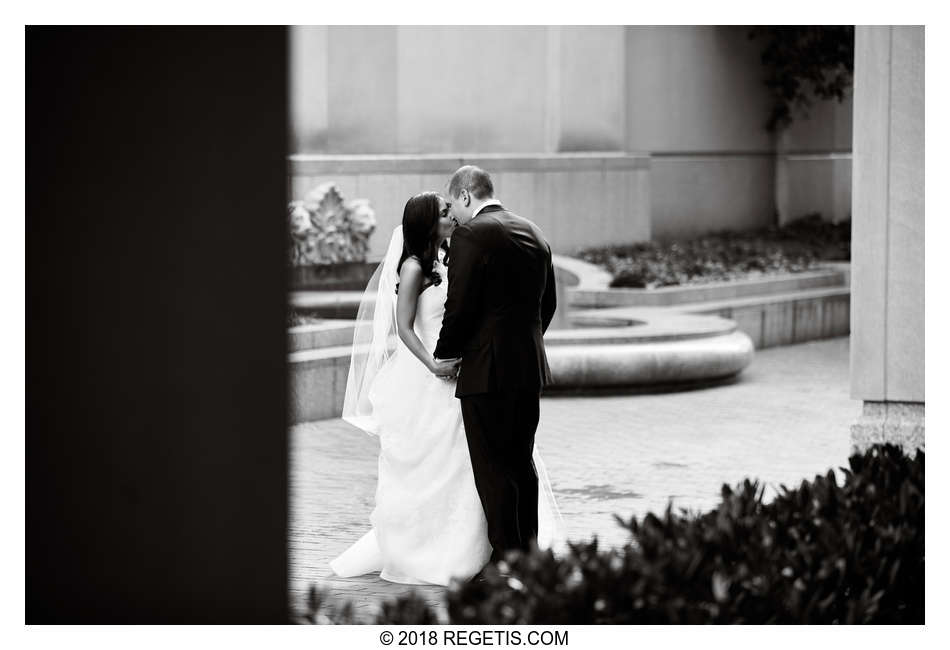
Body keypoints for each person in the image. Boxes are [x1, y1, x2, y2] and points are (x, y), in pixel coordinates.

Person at [330, 190, 562, 586]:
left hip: (471, 375)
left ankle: (496, 550)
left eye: (449, 208)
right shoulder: (413, 268)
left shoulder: (455, 255)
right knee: (452, 467)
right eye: (442, 212)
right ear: (426, 222)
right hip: (431, 379)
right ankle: (442, 551)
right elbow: (402, 328)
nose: (451, 215)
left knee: (484, 466)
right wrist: (433, 363)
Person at [434, 166, 558, 563]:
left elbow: (460, 305)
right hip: (528, 367)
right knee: (521, 461)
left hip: (486, 371)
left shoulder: (472, 234)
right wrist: (524, 343)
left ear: (466, 196)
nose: (453, 214)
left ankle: (507, 558)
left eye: (453, 204)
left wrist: (445, 354)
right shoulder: (534, 231)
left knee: (493, 468)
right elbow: (548, 304)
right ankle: (531, 552)